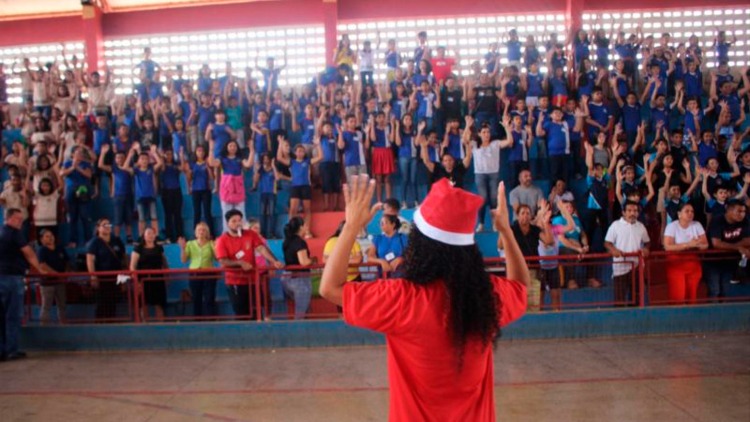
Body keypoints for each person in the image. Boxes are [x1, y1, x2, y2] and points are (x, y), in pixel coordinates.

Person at [320, 177, 528, 421]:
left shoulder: (400, 298)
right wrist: (505, 230)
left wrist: (351, 227)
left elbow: (329, 288)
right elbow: (521, 286)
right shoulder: (484, 296)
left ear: (418, 244)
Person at [0, 209, 49, 360]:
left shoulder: (1, 232)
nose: (20, 223)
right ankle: (11, 349)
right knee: (13, 315)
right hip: (12, 278)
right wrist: (39, 268)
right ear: (9, 218)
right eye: (18, 219)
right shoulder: (14, 233)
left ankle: (2, 350)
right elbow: (28, 252)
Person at [214, 210, 283, 318]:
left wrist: (275, 261)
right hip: (235, 282)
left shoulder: (250, 234)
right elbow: (222, 260)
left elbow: (261, 248)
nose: (237, 223)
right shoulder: (221, 240)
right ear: (227, 223)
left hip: (253, 280)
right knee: (242, 314)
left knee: (257, 312)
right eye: (234, 221)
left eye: (239, 220)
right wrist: (240, 263)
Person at [604, 201, 651, 306]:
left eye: (635, 211)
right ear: (623, 212)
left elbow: (647, 242)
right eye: (629, 210)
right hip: (620, 267)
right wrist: (613, 250)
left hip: (637, 267)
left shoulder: (641, 227)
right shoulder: (615, 225)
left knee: (637, 299)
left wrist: (646, 249)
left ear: (638, 213)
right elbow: (607, 243)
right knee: (619, 300)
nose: (632, 213)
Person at [663, 203, 709, 304]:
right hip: (676, 264)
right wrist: (688, 245)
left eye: (692, 211)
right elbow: (667, 246)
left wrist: (695, 245)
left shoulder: (697, 224)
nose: (690, 213)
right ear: (679, 214)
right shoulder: (671, 226)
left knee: (692, 296)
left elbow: (705, 245)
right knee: (678, 296)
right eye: (687, 211)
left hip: (693, 264)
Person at [706, 199, 750, 299]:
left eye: (744, 211)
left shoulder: (745, 220)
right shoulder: (717, 220)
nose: (742, 214)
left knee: (726, 291)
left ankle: (722, 313)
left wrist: (731, 246)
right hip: (713, 262)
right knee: (714, 290)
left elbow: (748, 241)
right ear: (729, 210)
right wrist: (738, 247)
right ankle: (712, 313)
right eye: (739, 211)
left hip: (730, 261)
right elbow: (716, 243)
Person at [86, 218, 128, 321]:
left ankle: (111, 324)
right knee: (101, 303)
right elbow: (90, 259)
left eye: (109, 225)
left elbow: (123, 260)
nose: (107, 227)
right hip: (102, 278)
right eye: (104, 225)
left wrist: (123, 279)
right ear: (98, 228)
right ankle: (99, 326)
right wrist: (93, 276)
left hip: (116, 277)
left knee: (113, 303)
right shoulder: (94, 242)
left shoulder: (117, 240)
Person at [179, 223, 217, 318]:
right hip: (194, 274)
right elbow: (184, 260)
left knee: (209, 298)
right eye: (199, 230)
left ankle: (211, 320)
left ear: (207, 232)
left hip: (209, 273)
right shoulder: (190, 244)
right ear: (195, 232)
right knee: (196, 299)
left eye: (204, 230)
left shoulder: (211, 243)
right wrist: (182, 249)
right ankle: (198, 320)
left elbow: (217, 258)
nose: (201, 232)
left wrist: (216, 248)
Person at [130, 227, 168, 321]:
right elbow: (132, 266)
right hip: (142, 280)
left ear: (155, 235)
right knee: (143, 304)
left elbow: (164, 263)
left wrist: (167, 276)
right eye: (148, 233)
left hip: (158, 279)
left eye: (152, 233)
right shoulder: (138, 249)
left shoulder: (159, 248)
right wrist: (136, 281)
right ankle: (144, 324)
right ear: (144, 236)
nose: (150, 235)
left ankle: (161, 325)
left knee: (159, 304)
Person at [282, 217, 315, 320]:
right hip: (299, 280)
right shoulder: (300, 242)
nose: (307, 227)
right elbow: (304, 262)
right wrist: (313, 260)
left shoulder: (287, 241)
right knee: (301, 312)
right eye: (305, 225)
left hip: (286, 278)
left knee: (305, 309)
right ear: (301, 227)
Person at [36, 229, 69, 324]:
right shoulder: (41, 250)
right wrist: (56, 274)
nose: (50, 238)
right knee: (46, 306)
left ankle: (63, 325)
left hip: (60, 282)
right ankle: (44, 327)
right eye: (47, 236)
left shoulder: (60, 248)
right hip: (47, 283)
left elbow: (67, 261)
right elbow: (42, 265)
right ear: (42, 239)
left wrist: (65, 274)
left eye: (51, 235)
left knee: (62, 305)